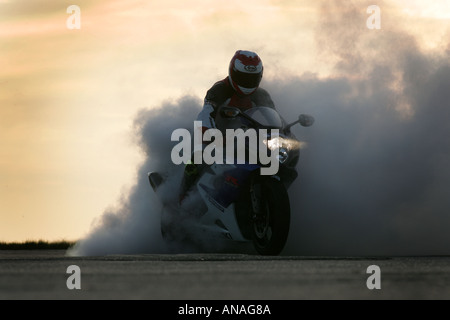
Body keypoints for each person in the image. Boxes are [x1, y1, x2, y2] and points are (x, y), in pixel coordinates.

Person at [179, 50, 276, 203]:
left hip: (249, 139)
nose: (247, 82)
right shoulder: (219, 90)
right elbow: (206, 113)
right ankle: (182, 198)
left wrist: (284, 132)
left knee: (277, 159)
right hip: (219, 137)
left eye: (252, 78)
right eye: (243, 78)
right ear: (232, 72)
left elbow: (272, 116)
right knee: (197, 157)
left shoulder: (261, 95)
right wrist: (210, 134)